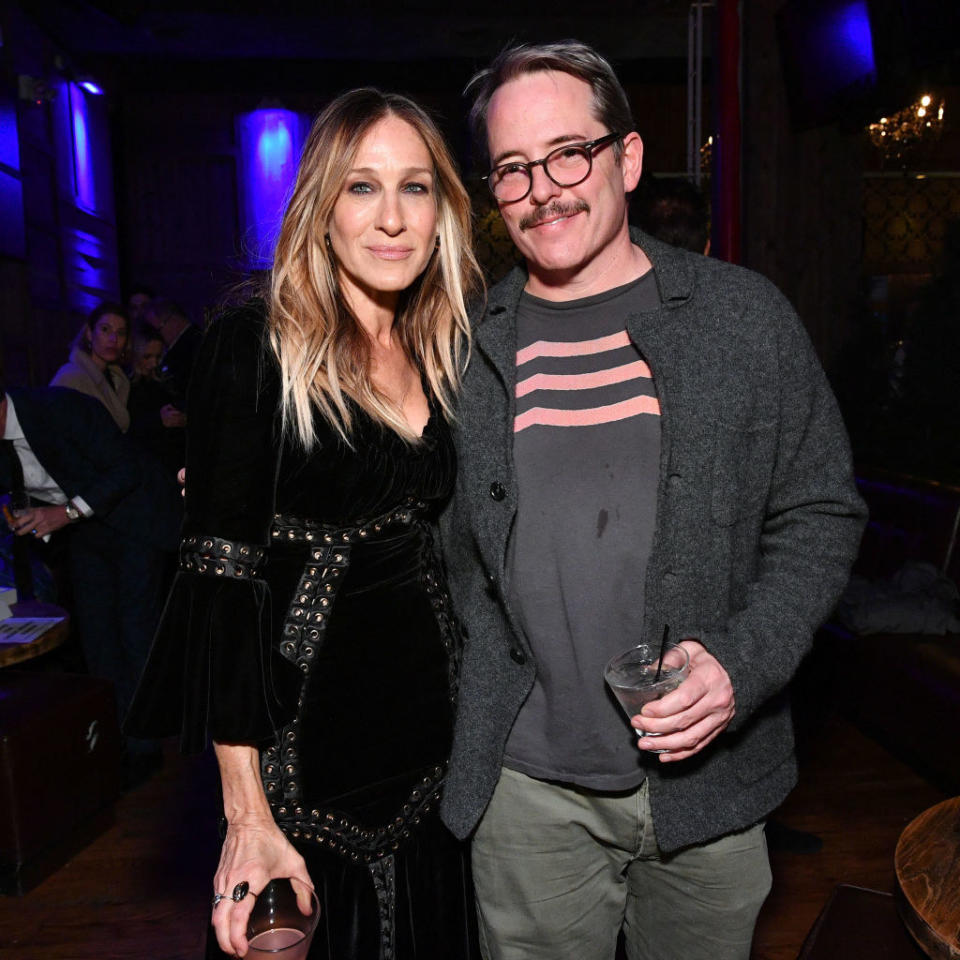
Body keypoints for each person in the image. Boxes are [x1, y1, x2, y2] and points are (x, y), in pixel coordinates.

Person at [437, 41, 866, 960]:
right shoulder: (467, 349)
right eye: (513, 169)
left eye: (568, 153)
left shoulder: (742, 319)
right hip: (528, 793)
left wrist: (740, 663)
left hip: (708, 790)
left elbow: (821, 513)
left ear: (626, 159)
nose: (543, 188)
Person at [126, 88, 483, 960]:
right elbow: (217, 581)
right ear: (320, 207)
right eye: (362, 188)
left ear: (444, 209)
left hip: (436, 736)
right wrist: (245, 814)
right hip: (302, 742)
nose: (392, 219)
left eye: (416, 187)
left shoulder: (444, 343)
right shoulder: (256, 341)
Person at [0, 378, 180, 783]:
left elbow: (125, 468)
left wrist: (64, 514)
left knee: (135, 630)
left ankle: (146, 747)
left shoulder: (59, 408)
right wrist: (22, 515)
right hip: (85, 532)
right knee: (98, 636)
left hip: (136, 518)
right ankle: (115, 740)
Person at [50, 301, 131, 432]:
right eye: (105, 329)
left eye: (120, 333)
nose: (113, 339)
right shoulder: (71, 377)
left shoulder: (118, 379)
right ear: (89, 333)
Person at [127, 326, 186, 474]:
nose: (154, 363)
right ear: (134, 354)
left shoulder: (163, 381)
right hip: (144, 467)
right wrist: (158, 420)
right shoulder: (125, 386)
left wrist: (183, 419)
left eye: (158, 356)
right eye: (147, 357)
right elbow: (127, 428)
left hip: (170, 464)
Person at [143, 298, 202, 409]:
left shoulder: (185, 351)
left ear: (173, 320)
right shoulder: (199, 337)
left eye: (156, 330)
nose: (155, 337)